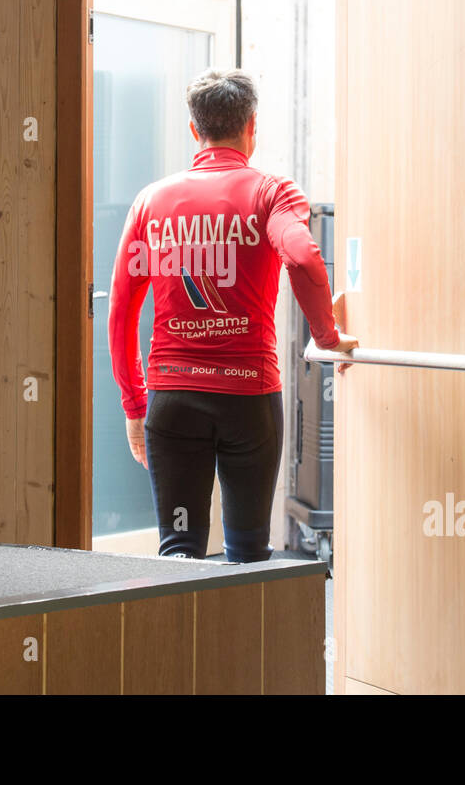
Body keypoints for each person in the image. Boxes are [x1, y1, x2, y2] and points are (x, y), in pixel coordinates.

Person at [107, 68, 358, 562]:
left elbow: (119, 313)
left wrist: (135, 407)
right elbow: (304, 258)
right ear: (252, 126)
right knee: (246, 549)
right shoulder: (271, 193)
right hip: (248, 404)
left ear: (193, 129)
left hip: (173, 403)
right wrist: (326, 337)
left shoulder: (150, 201)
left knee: (177, 551)